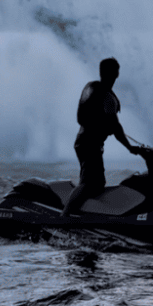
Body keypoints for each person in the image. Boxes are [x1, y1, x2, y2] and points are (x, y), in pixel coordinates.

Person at [62, 57, 142, 216]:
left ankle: (86, 212)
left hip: (83, 142)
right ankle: (66, 215)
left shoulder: (89, 88)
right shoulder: (107, 97)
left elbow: (81, 118)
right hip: (89, 144)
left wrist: (102, 125)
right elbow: (116, 127)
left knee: (98, 184)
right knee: (90, 183)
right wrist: (130, 147)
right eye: (114, 70)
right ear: (116, 74)